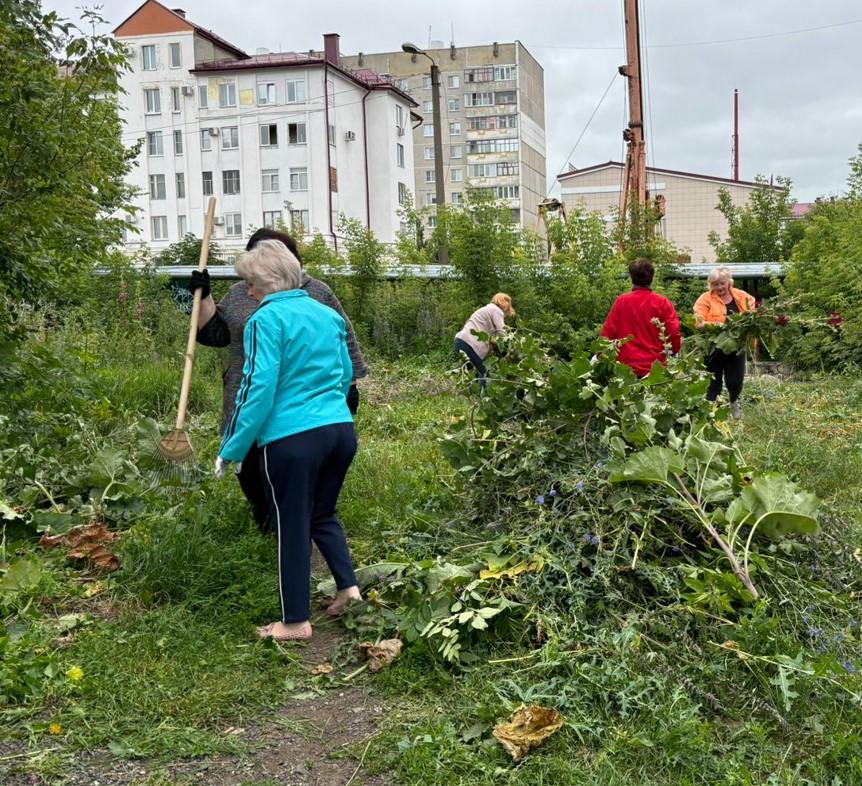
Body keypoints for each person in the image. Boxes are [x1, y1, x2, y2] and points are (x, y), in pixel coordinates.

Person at [215, 240, 362, 641]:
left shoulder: (265, 320)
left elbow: (256, 388)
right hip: (340, 432)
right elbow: (346, 371)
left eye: (249, 282)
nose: (247, 291)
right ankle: (349, 591)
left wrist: (233, 446)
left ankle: (295, 621)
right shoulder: (325, 314)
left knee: (292, 525)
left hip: (292, 440)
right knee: (323, 513)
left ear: (266, 280)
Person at [189, 228, 367, 533]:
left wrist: (349, 388)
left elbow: (344, 338)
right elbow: (214, 333)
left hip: (297, 403)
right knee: (251, 472)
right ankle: (269, 520)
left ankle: (300, 529)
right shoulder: (241, 293)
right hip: (246, 396)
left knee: (297, 470)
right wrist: (203, 297)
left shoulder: (318, 293)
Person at [600, 257, 681, 376]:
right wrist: (673, 352)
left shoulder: (621, 302)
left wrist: (601, 355)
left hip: (626, 369)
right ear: (652, 278)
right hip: (656, 369)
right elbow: (674, 332)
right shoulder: (662, 302)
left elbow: (607, 334)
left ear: (631, 278)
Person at [693, 265, 755, 419]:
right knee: (713, 381)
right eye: (715, 284)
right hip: (713, 347)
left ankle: (734, 401)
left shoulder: (741, 296)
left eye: (722, 283)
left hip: (736, 346)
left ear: (729, 282)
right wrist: (719, 325)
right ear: (710, 285)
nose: (719, 287)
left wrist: (747, 320)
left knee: (736, 380)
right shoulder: (705, 299)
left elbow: (751, 313)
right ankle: (710, 413)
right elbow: (698, 322)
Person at [454, 293, 515, 390]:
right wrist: (512, 347)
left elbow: (490, 336)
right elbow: (502, 333)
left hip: (460, 341)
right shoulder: (496, 311)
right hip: (469, 344)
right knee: (483, 372)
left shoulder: (486, 310)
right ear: (505, 304)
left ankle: (469, 396)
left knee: (472, 373)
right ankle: (484, 399)